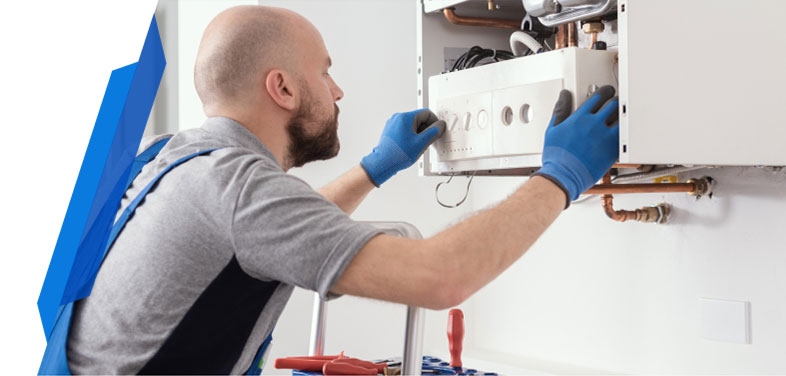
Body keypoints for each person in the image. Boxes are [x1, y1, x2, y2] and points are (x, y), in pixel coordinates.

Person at [65, 5, 619, 374]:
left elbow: (270, 235)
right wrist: (560, 177)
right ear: (281, 87)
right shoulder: (239, 190)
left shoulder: (169, 156)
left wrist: (375, 169)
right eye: (324, 73)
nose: (337, 90)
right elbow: (439, 278)